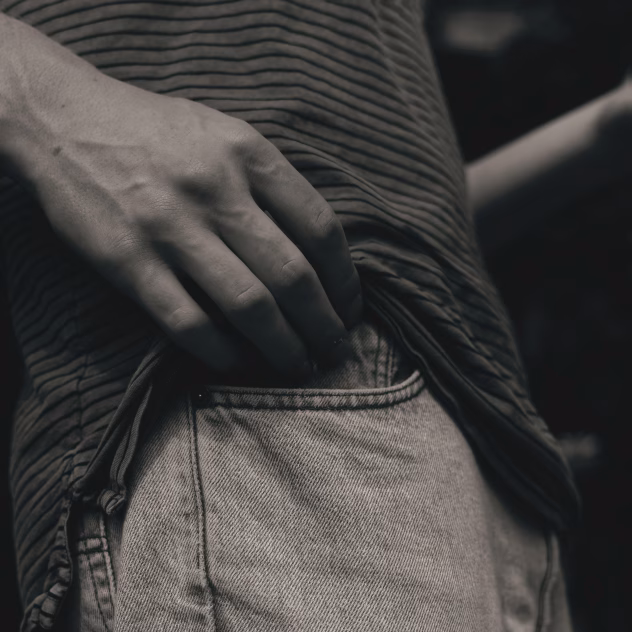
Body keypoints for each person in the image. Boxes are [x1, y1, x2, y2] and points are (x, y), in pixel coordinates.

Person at [5, 2, 628, 631]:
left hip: (484, 446)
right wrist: (47, 108)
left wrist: (603, 135)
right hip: (251, 399)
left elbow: (356, 231)